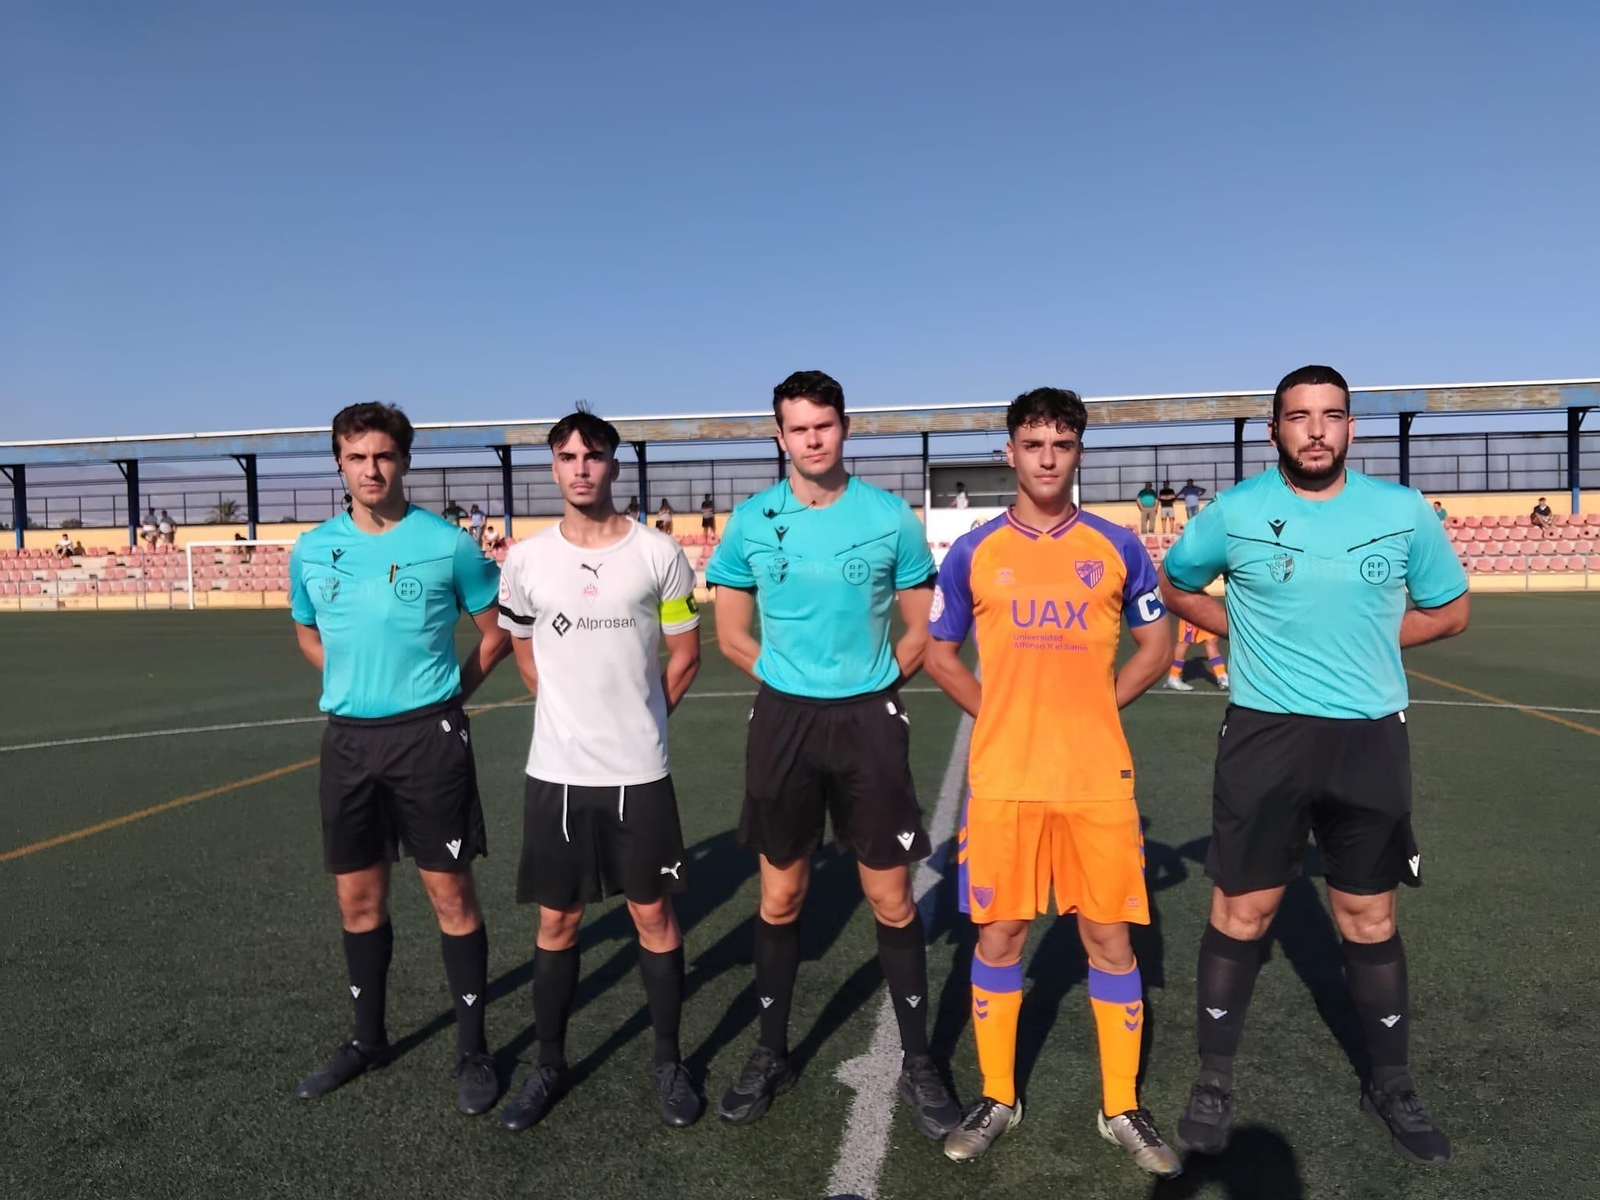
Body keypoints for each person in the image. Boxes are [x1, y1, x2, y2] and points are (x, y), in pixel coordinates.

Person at [1158, 364, 1469, 1166]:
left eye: (1332, 415)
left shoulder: (1400, 512)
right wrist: (1243, 631)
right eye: (1299, 417)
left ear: (1351, 428)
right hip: (1266, 737)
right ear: (1275, 432)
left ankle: (1392, 1084)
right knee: (1243, 912)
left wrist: (1368, 640)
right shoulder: (1234, 512)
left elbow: (1450, 610)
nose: (1317, 430)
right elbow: (1176, 583)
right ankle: (1213, 1081)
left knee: (1368, 918)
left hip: (1368, 739)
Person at [925, 389, 1180, 1175]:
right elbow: (938, 652)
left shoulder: (1115, 547)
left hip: (1095, 778)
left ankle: (1120, 1107)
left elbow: (1155, 644)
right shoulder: (974, 551)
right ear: (1009, 452)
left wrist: (1098, 706)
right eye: (1032, 443)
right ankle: (999, 1094)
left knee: (1108, 937)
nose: (1045, 457)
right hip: (1003, 778)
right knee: (1001, 934)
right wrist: (998, 711)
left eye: (1060, 444)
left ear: (1077, 453)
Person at [705, 369, 960, 1138]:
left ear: (843, 429)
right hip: (783, 723)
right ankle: (771, 1051)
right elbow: (729, 635)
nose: (812, 439)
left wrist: (874, 686)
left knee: (890, 897)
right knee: (779, 897)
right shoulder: (752, 521)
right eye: (798, 428)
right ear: (780, 437)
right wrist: (790, 682)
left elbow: (922, 628)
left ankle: (918, 1061)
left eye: (825, 425)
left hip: (867, 723)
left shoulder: (889, 518)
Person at [288, 402, 512, 1117]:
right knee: (358, 898)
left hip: (428, 740)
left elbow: (495, 632)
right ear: (339, 463)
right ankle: (367, 1039)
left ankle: (473, 1049)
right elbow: (306, 632)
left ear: (405, 461)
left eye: (383, 456)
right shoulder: (311, 550)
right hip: (349, 743)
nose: (371, 470)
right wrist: (345, 685)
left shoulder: (448, 545)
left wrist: (448, 694)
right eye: (357, 457)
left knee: (450, 894)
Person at [496, 408, 705, 1132]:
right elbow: (521, 649)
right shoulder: (524, 559)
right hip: (555, 774)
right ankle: (547, 1064)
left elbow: (685, 652)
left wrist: (644, 723)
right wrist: (565, 714)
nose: (581, 467)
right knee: (559, 919)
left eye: (594, 455)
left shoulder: (658, 555)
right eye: (567, 456)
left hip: (638, 774)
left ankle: (669, 1062)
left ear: (615, 466)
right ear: (552, 467)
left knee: (653, 914)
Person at [1164, 618, 1228, 692]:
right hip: (1191, 612)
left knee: (1212, 639)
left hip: (1206, 613)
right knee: (1185, 642)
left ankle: (1222, 677)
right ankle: (1173, 677)